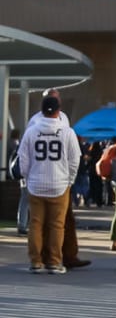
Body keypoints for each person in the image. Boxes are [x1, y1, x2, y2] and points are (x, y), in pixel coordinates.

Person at [18, 91, 81, 274]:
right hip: (59, 184)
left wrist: (27, 177)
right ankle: (54, 261)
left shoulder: (31, 131)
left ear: (42, 111)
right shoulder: (67, 132)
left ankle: (36, 261)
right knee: (57, 225)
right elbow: (74, 159)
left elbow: (23, 158)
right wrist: (70, 179)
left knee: (36, 224)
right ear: (58, 111)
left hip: (36, 184)